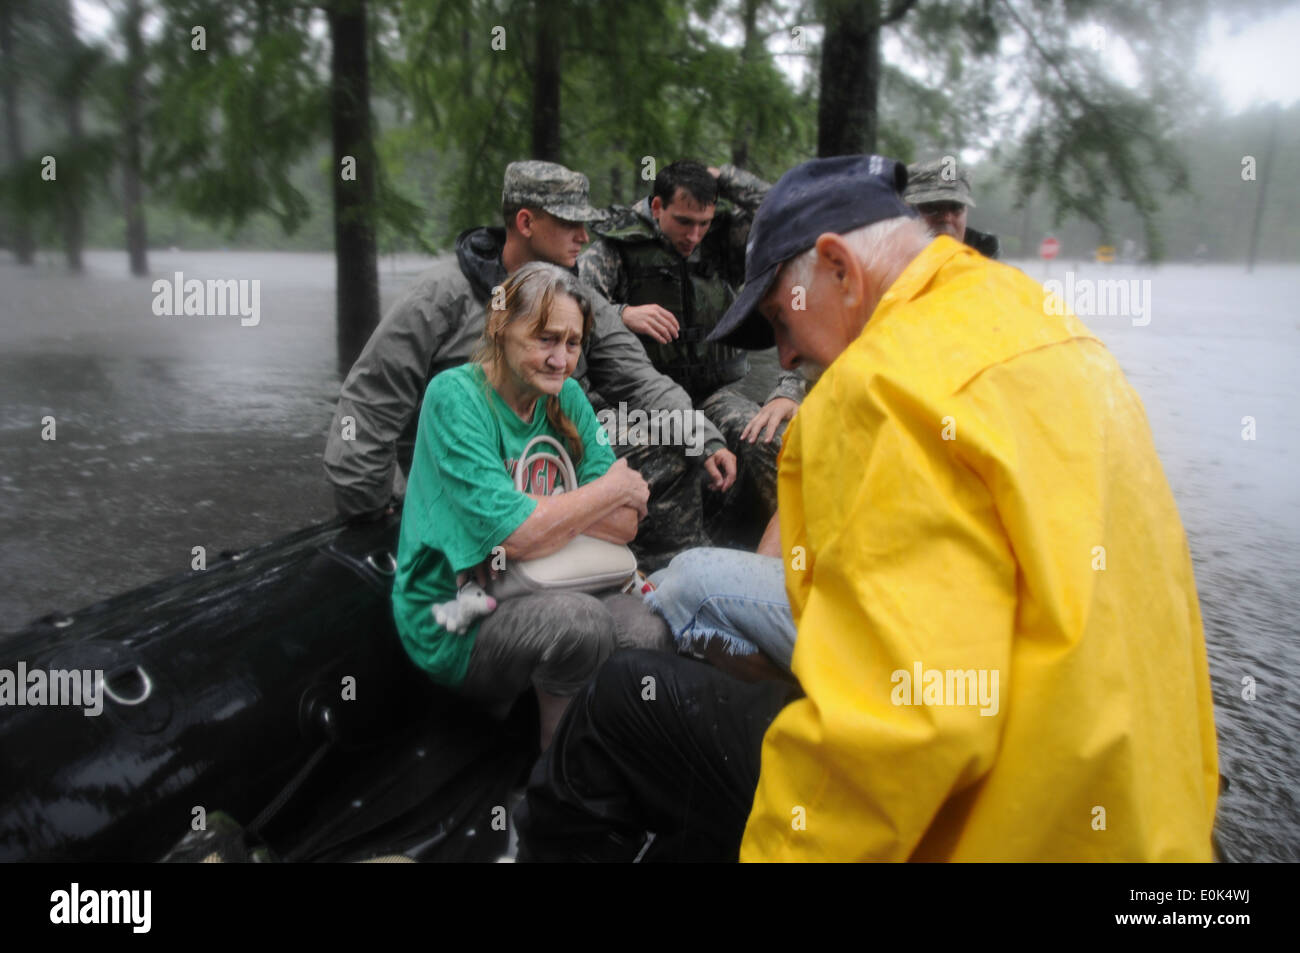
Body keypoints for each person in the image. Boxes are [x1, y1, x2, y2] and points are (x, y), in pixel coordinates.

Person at [517, 154, 1219, 861]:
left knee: (619, 699)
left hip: (995, 826)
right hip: (1150, 827)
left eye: (779, 322)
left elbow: (909, 723)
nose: (786, 359)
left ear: (839, 267)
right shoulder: (1050, 327)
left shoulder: (882, 387)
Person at [323, 160, 735, 575]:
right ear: (526, 222)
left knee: (672, 446)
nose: (584, 237)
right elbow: (368, 405)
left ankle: (662, 579)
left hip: (550, 458)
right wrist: (378, 513)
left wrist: (704, 439)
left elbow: (640, 380)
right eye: (570, 224)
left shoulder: (577, 295)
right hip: (466, 467)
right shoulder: (439, 297)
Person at [391, 262, 669, 752]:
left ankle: (610, 761)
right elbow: (512, 536)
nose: (561, 359)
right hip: (457, 619)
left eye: (573, 343)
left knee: (649, 627)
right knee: (580, 625)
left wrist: (535, 510)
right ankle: (552, 793)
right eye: (545, 339)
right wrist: (606, 491)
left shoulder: (570, 397)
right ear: (500, 328)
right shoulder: (454, 397)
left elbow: (626, 525)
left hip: (555, 580)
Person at [580, 160, 805, 553]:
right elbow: (570, 301)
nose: (694, 235)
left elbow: (787, 214)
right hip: (641, 400)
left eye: (703, 222)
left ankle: (785, 550)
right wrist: (621, 314)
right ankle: (671, 558)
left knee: (769, 439)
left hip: (711, 392)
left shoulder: (721, 243)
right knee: (672, 450)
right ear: (656, 208)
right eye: (684, 222)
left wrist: (728, 177)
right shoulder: (617, 248)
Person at [902, 157, 1000, 258]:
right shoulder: (887, 267)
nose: (946, 218)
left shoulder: (988, 270)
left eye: (955, 207)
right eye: (931, 206)